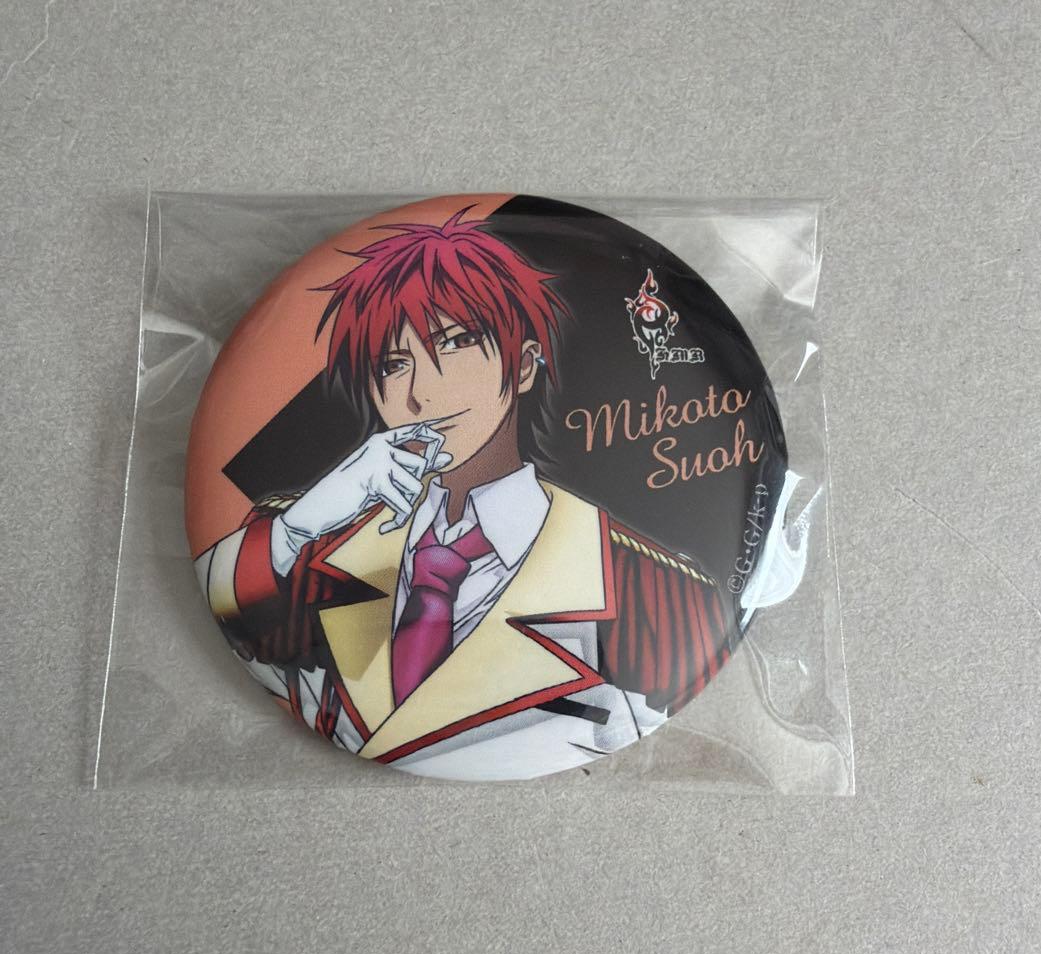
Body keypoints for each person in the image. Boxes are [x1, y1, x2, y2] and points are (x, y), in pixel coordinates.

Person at [194, 212, 728, 780]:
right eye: (394, 364)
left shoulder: (653, 591)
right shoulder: (307, 554)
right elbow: (225, 614)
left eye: (455, 343)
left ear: (524, 366)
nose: (421, 394)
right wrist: (301, 522)